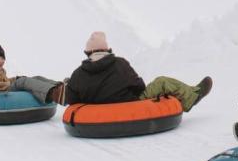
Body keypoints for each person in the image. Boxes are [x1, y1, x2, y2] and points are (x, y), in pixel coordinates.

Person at [62, 32, 213, 111]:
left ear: (88, 53)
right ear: (107, 49)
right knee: (161, 82)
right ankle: (193, 96)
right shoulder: (120, 64)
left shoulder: (78, 74)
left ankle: (192, 92)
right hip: (130, 105)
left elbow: (72, 100)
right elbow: (139, 86)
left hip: (96, 112)